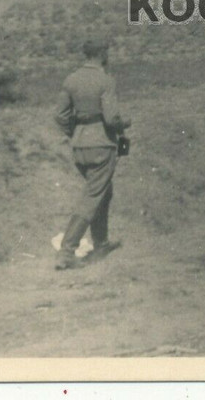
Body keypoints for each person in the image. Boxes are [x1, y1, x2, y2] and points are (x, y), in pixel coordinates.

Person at [53, 36, 130, 270]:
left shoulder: (71, 79)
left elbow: (61, 116)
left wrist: (74, 133)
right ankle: (67, 252)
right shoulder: (105, 80)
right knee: (92, 196)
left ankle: (101, 243)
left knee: (102, 192)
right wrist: (125, 123)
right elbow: (111, 118)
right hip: (101, 144)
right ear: (103, 54)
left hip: (79, 145)